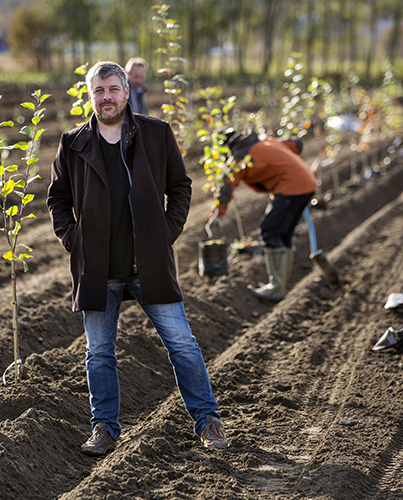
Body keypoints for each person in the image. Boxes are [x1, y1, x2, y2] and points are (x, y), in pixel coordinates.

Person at [47, 61, 228, 456]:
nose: (106, 97)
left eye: (113, 89)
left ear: (127, 92)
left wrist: (165, 233)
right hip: (97, 267)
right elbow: (57, 200)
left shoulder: (155, 134)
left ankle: (208, 421)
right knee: (98, 353)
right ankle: (105, 428)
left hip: (148, 262)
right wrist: (74, 240)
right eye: (99, 90)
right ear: (89, 95)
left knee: (182, 344)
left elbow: (180, 187)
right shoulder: (72, 143)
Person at [212, 130, 316, 302]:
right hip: (306, 183)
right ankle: (280, 285)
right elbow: (296, 144)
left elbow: (225, 188)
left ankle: (276, 288)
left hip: (292, 187)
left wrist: (217, 214)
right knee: (283, 234)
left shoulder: (241, 157)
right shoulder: (268, 141)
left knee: (270, 230)